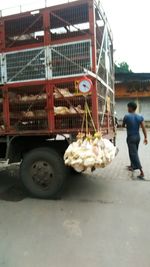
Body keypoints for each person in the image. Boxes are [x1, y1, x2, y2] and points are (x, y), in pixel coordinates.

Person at [122, 101, 148, 180]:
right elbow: (143, 128)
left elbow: (123, 125)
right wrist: (146, 137)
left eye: (128, 107)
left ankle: (141, 172)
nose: (127, 109)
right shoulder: (140, 116)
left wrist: (126, 125)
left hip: (131, 137)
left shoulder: (126, 116)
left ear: (130, 108)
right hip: (138, 137)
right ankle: (132, 166)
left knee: (133, 154)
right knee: (134, 152)